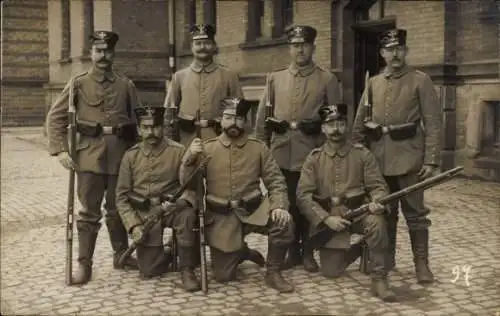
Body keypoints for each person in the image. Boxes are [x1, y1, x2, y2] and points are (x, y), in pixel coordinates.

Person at [46, 30, 140, 284]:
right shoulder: (77, 83)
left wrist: (138, 157)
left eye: (107, 51)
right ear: (91, 53)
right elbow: (55, 117)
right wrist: (61, 150)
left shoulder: (126, 84)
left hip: (121, 157)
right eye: (98, 50)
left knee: (117, 209)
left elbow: (137, 123)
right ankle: (84, 266)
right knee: (89, 212)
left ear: (113, 53)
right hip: (88, 157)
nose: (103, 55)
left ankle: (121, 255)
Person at [352, 28, 441, 284]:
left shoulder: (420, 80)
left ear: (406, 51)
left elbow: (433, 122)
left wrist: (431, 160)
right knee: (385, 213)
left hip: (410, 160)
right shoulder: (373, 83)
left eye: (399, 49)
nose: (395, 54)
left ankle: (421, 264)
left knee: (416, 215)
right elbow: (360, 125)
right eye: (390, 50)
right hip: (379, 160)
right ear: (382, 53)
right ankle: (386, 260)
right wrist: (360, 160)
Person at [181, 97, 295, 293]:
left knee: (283, 222)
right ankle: (242, 251)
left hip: (253, 211)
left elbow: (276, 181)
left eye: (239, 118)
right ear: (220, 120)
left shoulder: (258, 148)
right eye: (228, 117)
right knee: (223, 276)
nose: (233, 123)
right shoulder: (207, 148)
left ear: (246, 121)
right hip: (221, 215)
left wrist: (279, 205)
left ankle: (273, 272)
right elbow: (188, 184)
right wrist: (190, 157)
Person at [254, 25, 342, 272]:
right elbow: (262, 119)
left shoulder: (326, 79)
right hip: (281, 151)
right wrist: (260, 151)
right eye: (295, 45)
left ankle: (307, 252)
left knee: (309, 203)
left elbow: (337, 119)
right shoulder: (275, 78)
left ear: (313, 47)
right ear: (289, 48)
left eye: (304, 44)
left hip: (312, 152)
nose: (300, 49)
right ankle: (290, 250)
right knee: (286, 202)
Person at [296, 104, 396, 302]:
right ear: (323, 129)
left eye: (340, 124)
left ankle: (379, 278)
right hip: (329, 218)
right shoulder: (313, 158)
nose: (336, 129)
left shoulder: (362, 154)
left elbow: (378, 186)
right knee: (332, 271)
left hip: (358, 213)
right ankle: (361, 248)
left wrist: (378, 201)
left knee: (376, 222)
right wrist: (326, 219)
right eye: (331, 125)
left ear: (347, 126)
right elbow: (303, 195)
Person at [115, 105, 201, 292]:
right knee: (149, 270)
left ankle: (187, 269)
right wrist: (134, 225)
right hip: (146, 214)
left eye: (155, 127)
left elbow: (191, 189)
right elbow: (121, 197)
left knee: (187, 216)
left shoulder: (178, 151)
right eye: (145, 127)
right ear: (138, 129)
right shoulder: (130, 156)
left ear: (162, 127)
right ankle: (171, 251)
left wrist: (180, 202)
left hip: (173, 208)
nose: (151, 132)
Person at [163, 24, 244, 145]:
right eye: (198, 43)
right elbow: (168, 114)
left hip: (220, 140)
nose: (202, 47)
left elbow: (239, 112)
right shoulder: (179, 77)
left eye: (207, 43)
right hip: (186, 140)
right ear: (192, 47)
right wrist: (169, 143)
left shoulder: (229, 76)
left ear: (214, 46)